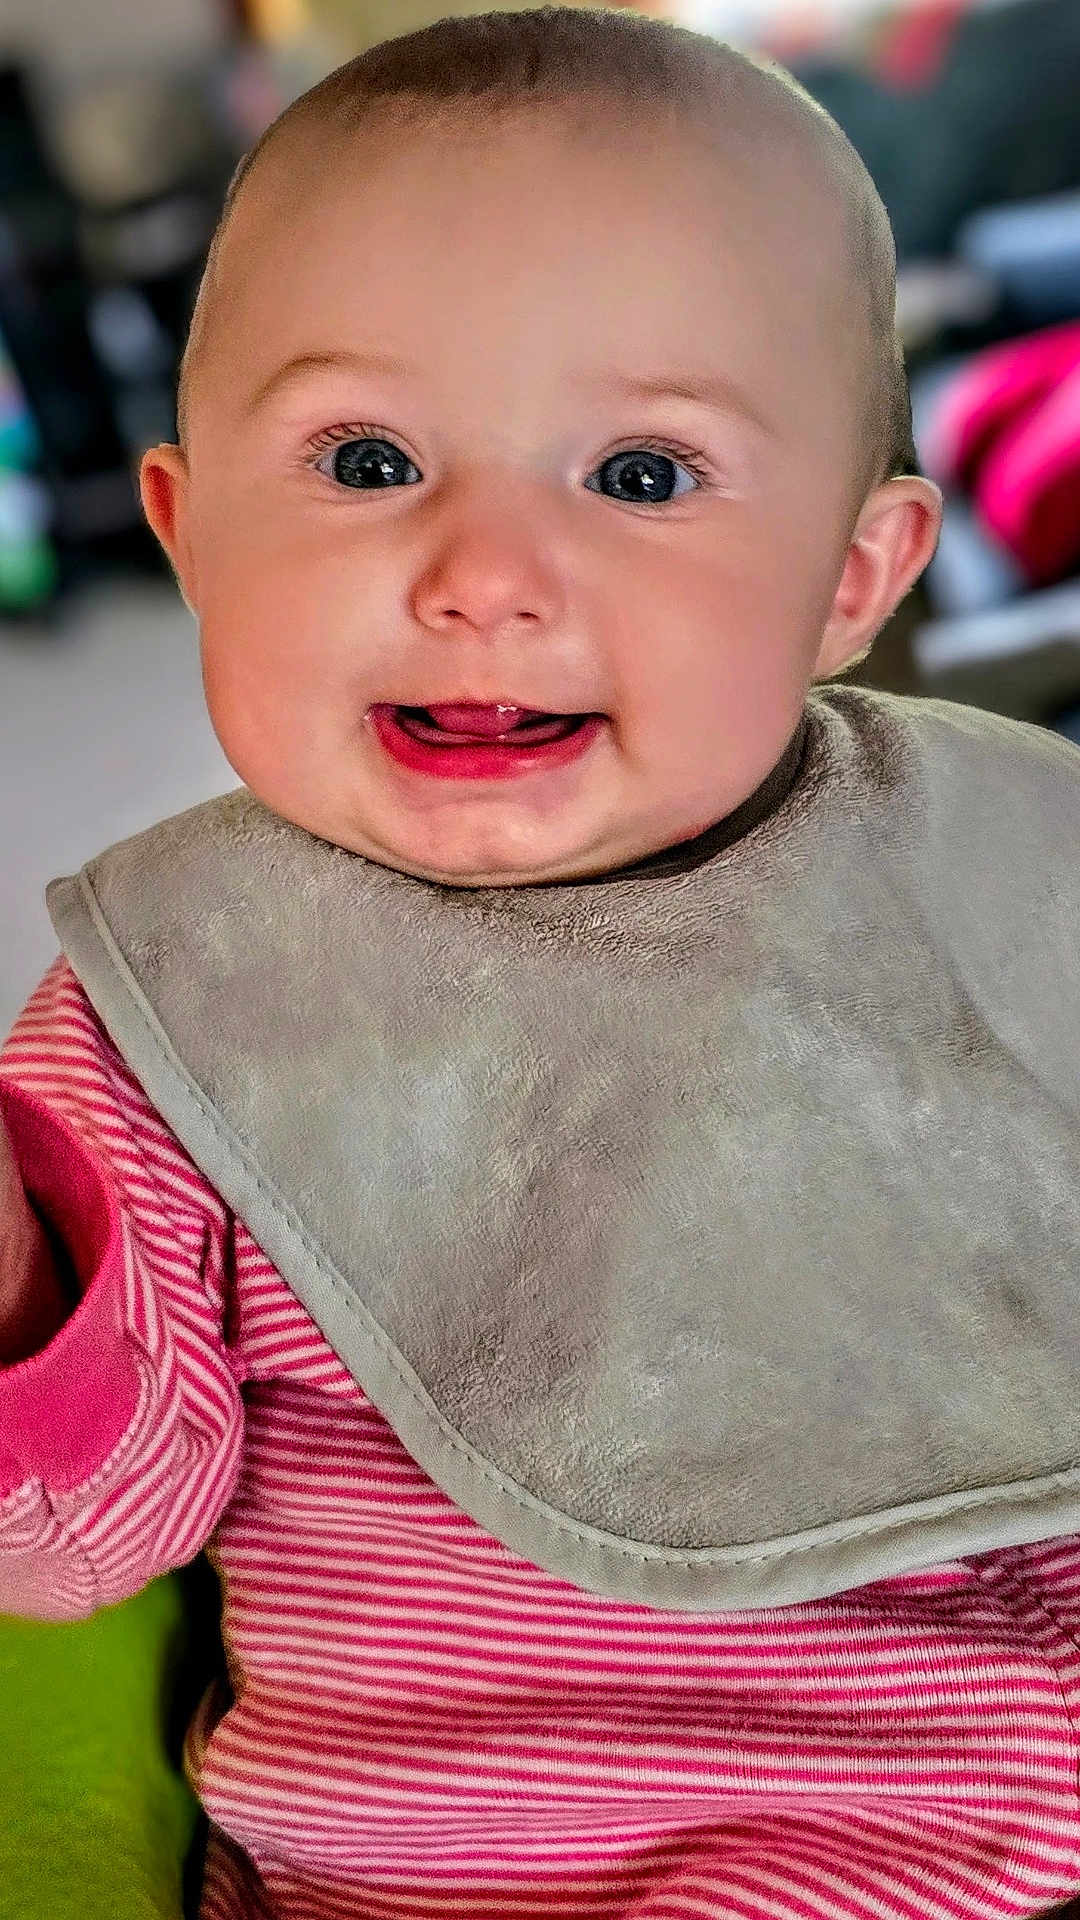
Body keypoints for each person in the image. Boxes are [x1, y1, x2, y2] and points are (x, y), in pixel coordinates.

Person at [3, 8, 1080, 1917]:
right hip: (421, 1884)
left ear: (855, 573)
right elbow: (85, 1543)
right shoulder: (176, 1006)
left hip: (951, 1851)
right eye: (363, 456)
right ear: (186, 530)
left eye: (644, 477)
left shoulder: (997, 883)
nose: (484, 571)